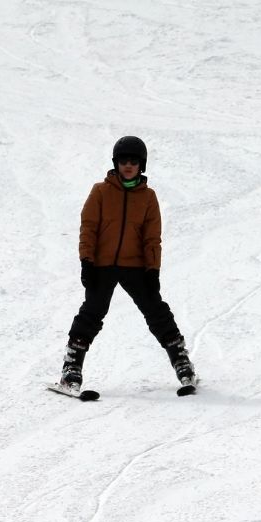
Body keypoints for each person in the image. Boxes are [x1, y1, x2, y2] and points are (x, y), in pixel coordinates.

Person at [58, 136, 195, 392]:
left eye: (133, 161)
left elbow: (152, 238)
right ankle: (72, 367)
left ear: (141, 165)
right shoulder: (100, 191)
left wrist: (152, 269)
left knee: (156, 311)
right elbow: (88, 228)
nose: (128, 165)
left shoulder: (148, 198)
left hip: (135, 266)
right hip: (102, 264)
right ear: (116, 163)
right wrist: (86, 261)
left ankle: (181, 360)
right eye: (123, 161)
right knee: (92, 313)